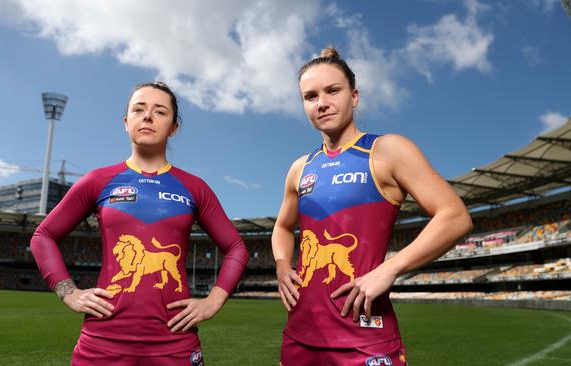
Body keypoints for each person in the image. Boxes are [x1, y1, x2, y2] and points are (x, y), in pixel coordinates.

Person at [272, 47, 472, 365]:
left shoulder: (386, 151)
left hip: (365, 338)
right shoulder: (300, 168)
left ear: (354, 96)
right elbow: (283, 227)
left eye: (332, 91)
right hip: (299, 337)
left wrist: (388, 269)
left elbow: (455, 216)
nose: (321, 103)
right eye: (310, 96)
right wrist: (283, 266)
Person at [31, 81, 249, 366]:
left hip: (175, 343)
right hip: (102, 344)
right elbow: (43, 235)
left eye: (159, 111)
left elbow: (236, 248)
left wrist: (214, 300)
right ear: (126, 122)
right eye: (138, 109)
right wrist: (67, 291)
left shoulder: (194, 187)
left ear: (174, 127)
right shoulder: (97, 181)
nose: (147, 116)